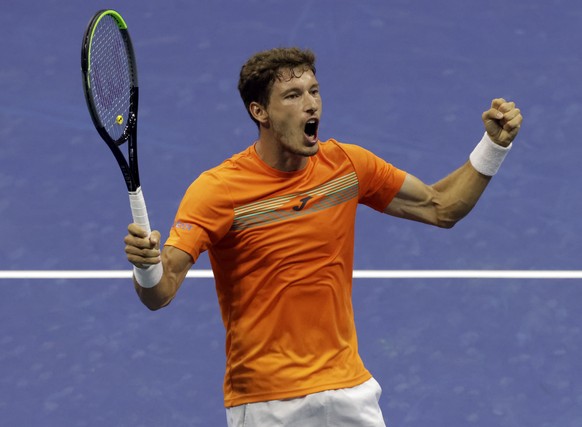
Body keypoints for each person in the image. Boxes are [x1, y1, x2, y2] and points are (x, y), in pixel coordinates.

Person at [124, 47, 522, 426]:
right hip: (268, 401)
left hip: (349, 388)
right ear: (259, 111)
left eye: (314, 91)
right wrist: (147, 267)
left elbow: (441, 207)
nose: (311, 104)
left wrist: (493, 146)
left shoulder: (346, 167)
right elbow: (161, 292)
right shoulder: (218, 190)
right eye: (293, 95)